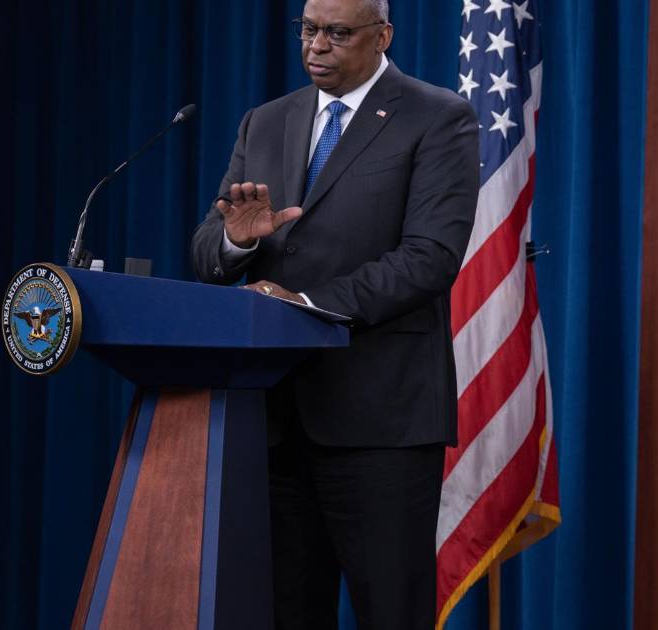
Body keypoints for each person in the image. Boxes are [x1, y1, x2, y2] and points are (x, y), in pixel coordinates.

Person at [190, 0, 478, 626]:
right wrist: (237, 240)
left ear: (383, 36)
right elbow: (209, 252)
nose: (316, 45)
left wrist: (308, 306)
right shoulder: (265, 122)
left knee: (391, 613)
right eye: (309, 29)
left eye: (338, 33)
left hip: (381, 424)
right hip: (273, 418)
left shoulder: (437, 116)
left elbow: (429, 257)